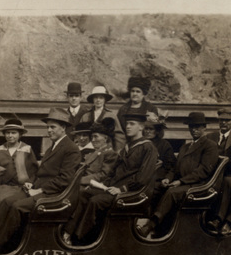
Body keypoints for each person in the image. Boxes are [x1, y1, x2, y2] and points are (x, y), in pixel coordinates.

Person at [0, 108, 81, 253]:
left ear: (63, 128)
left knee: (17, 206)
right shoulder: (54, 146)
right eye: (48, 127)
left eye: (53, 127)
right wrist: (31, 183)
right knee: (7, 201)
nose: (49, 130)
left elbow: (65, 179)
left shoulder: (71, 148)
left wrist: (40, 190)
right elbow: (42, 173)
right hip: (38, 188)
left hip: (54, 194)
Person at [61, 113, 157, 245]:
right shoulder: (126, 149)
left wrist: (122, 188)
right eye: (127, 123)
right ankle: (68, 232)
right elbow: (112, 173)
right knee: (85, 193)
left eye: (132, 124)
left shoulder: (148, 147)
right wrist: (103, 185)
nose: (127, 127)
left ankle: (81, 239)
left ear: (141, 127)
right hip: (115, 188)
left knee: (96, 201)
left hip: (133, 192)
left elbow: (143, 177)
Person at [137, 112, 219, 238]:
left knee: (172, 192)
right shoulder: (185, 147)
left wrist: (180, 181)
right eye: (191, 127)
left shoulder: (210, 146)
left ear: (204, 128)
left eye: (197, 127)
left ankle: (151, 225)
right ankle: (159, 228)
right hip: (181, 182)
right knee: (157, 187)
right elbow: (174, 168)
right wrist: (167, 178)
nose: (194, 130)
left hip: (197, 185)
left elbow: (203, 171)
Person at [0, 118, 39, 206]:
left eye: (14, 133)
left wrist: (30, 182)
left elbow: (34, 170)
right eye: (7, 133)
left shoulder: (26, 149)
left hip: (23, 187)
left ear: (20, 134)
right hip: (3, 187)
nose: (10, 135)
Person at [81, 86, 126, 151]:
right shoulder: (86, 116)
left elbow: (119, 135)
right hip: (89, 148)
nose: (98, 100)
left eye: (101, 98)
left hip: (106, 149)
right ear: (92, 99)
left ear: (105, 100)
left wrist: (117, 150)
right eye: (96, 97)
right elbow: (81, 134)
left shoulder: (111, 115)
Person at [143, 113, 177, 182]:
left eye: (151, 129)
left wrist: (167, 178)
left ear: (157, 131)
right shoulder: (141, 143)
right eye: (146, 128)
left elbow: (171, 167)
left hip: (158, 178)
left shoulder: (164, 145)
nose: (147, 131)